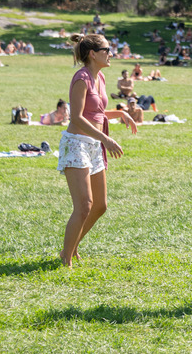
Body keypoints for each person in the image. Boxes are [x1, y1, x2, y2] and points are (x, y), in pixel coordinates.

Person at [58, 33, 137, 267]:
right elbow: (78, 117)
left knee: (100, 206)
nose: (111, 54)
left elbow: (97, 113)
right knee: (84, 206)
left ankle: (70, 248)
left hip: (93, 144)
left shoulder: (100, 77)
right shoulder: (81, 78)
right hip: (76, 144)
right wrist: (106, 139)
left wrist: (120, 113)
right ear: (93, 54)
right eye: (107, 50)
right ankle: (66, 258)